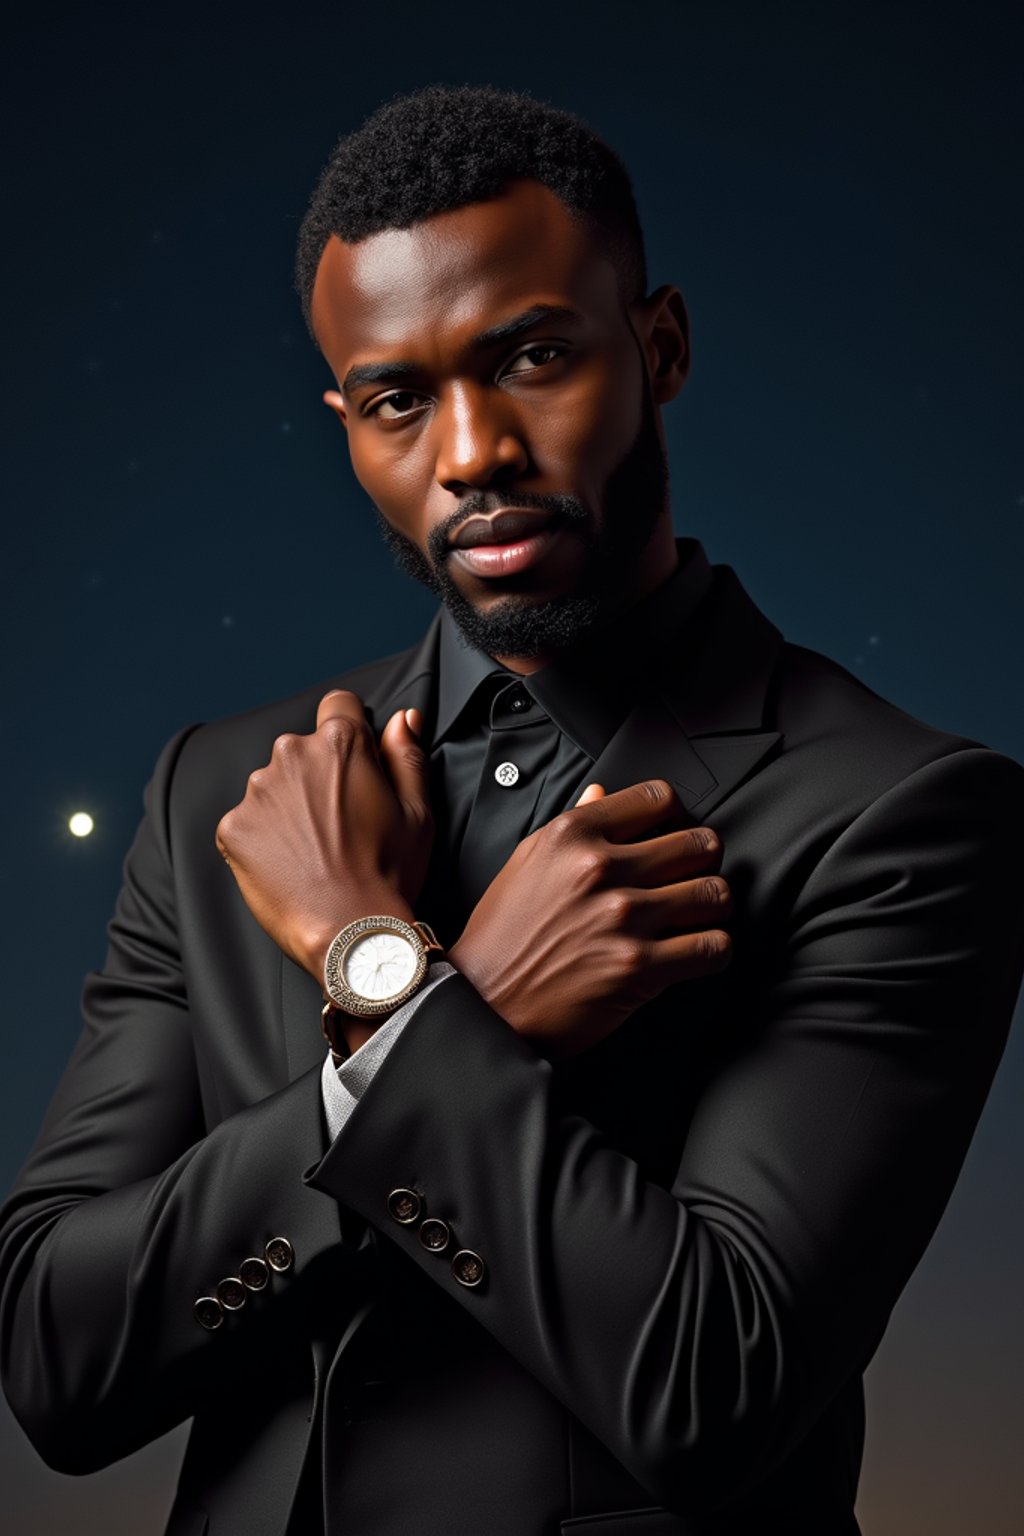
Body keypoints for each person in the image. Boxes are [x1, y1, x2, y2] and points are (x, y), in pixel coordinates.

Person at [1, 83, 1022, 1536]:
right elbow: (53, 1359)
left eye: (534, 356)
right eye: (398, 399)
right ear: (347, 420)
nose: (471, 452)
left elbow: (712, 1387)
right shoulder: (222, 794)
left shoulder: (900, 814)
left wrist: (379, 966)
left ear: (657, 348)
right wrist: (452, 1017)